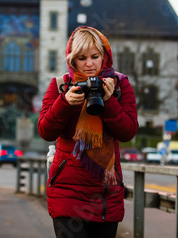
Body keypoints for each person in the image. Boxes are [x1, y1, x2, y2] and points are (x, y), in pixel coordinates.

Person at [38, 26, 138, 238]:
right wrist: (64, 103)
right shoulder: (60, 86)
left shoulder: (120, 86)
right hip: (67, 193)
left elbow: (128, 131)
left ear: (105, 57)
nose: (90, 63)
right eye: (82, 58)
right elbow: (45, 131)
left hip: (104, 195)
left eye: (95, 56)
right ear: (73, 59)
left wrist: (109, 101)